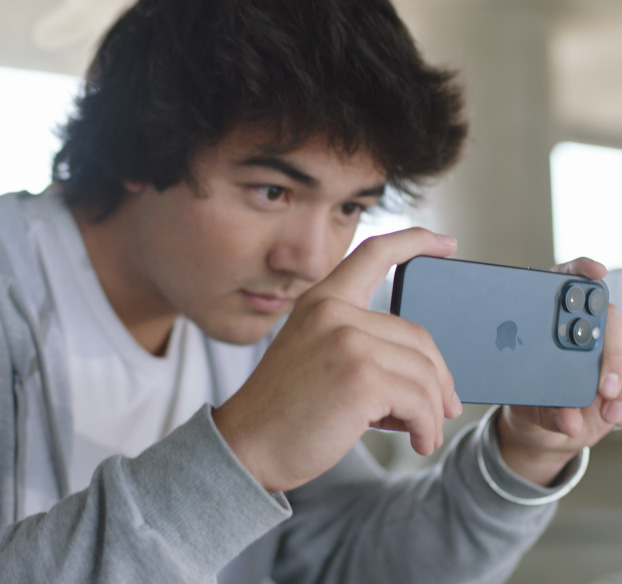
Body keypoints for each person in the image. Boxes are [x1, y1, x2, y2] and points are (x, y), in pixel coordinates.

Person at [0, 0, 621, 582]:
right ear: (138, 147)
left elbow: (352, 559)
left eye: (350, 207)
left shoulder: (258, 326)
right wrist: (244, 453)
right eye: (272, 192)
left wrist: (524, 453)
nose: (313, 261)